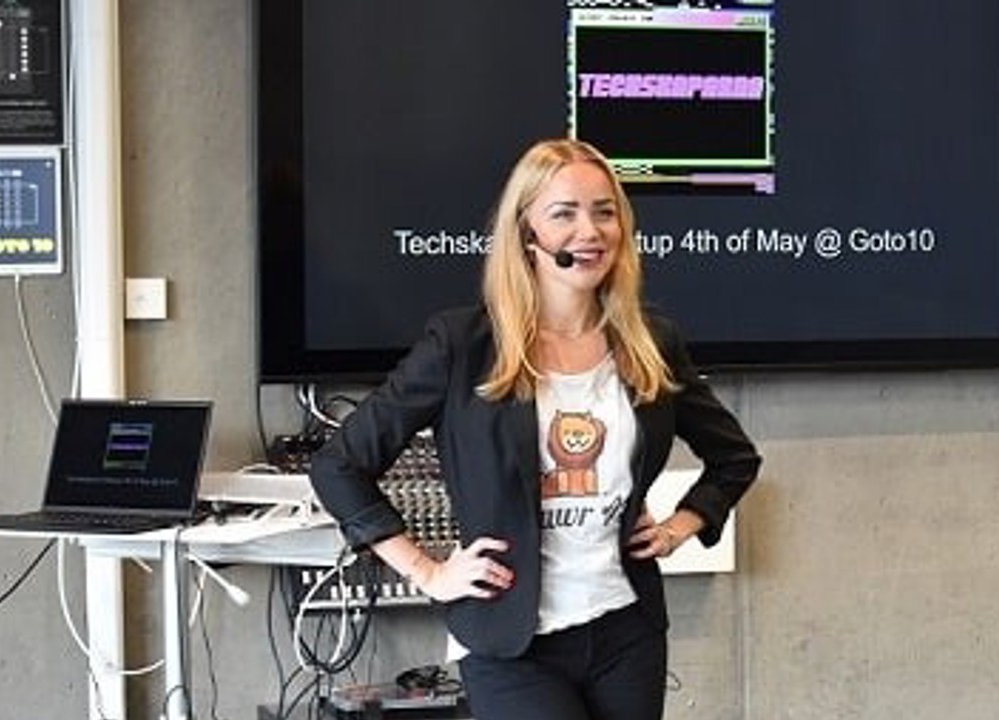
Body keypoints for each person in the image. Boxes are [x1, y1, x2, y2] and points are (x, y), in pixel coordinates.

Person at [308, 138, 761, 720]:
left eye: (604, 212)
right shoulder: (462, 346)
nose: (590, 231)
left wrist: (681, 526)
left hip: (627, 632)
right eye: (564, 214)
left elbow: (734, 459)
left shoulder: (651, 343)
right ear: (527, 233)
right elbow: (339, 466)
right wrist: (427, 571)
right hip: (510, 645)